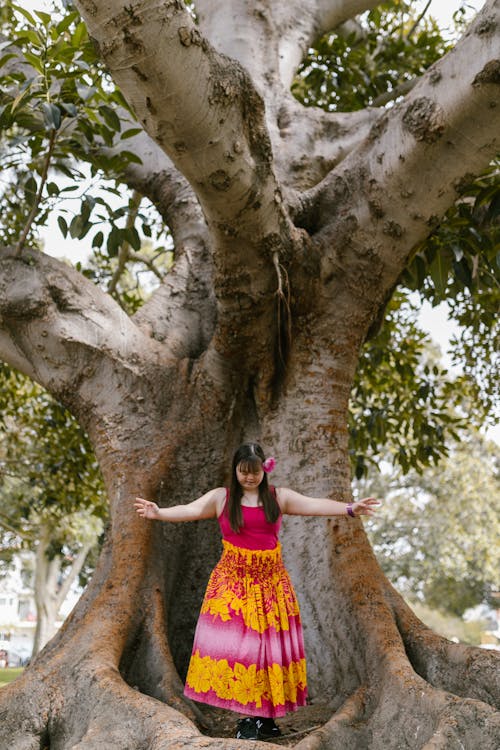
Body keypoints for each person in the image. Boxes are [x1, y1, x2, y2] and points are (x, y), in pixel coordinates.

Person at [134, 442, 380, 741]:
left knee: (268, 651)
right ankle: (246, 720)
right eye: (243, 472)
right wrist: (159, 513)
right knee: (241, 652)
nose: (249, 478)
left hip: (271, 585)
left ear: (265, 469)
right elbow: (191, 509)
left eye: (255, 472)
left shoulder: (279, 498)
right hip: (232, 586)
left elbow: (314, 504)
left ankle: (266, 718)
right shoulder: (221, 498)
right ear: (235, 470)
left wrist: (350, 508)